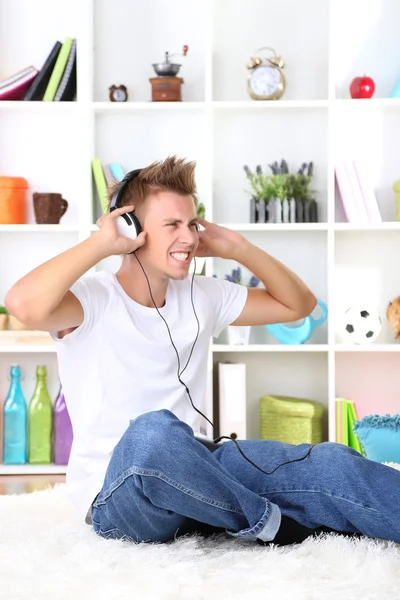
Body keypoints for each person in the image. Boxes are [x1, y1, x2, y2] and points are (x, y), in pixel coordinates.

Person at [5, 156, 400, 547]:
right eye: (173, 225)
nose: (190, 237)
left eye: (192, 223)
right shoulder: (91, 299)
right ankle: (270, 523)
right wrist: (100, 244)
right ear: (132, 229)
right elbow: (22, 305)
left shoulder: (202, 295)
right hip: (119, 491)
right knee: (153, 433)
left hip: (199, 467)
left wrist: (236, 247)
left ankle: (231, 510)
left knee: (329, 463)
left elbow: (298, 305)